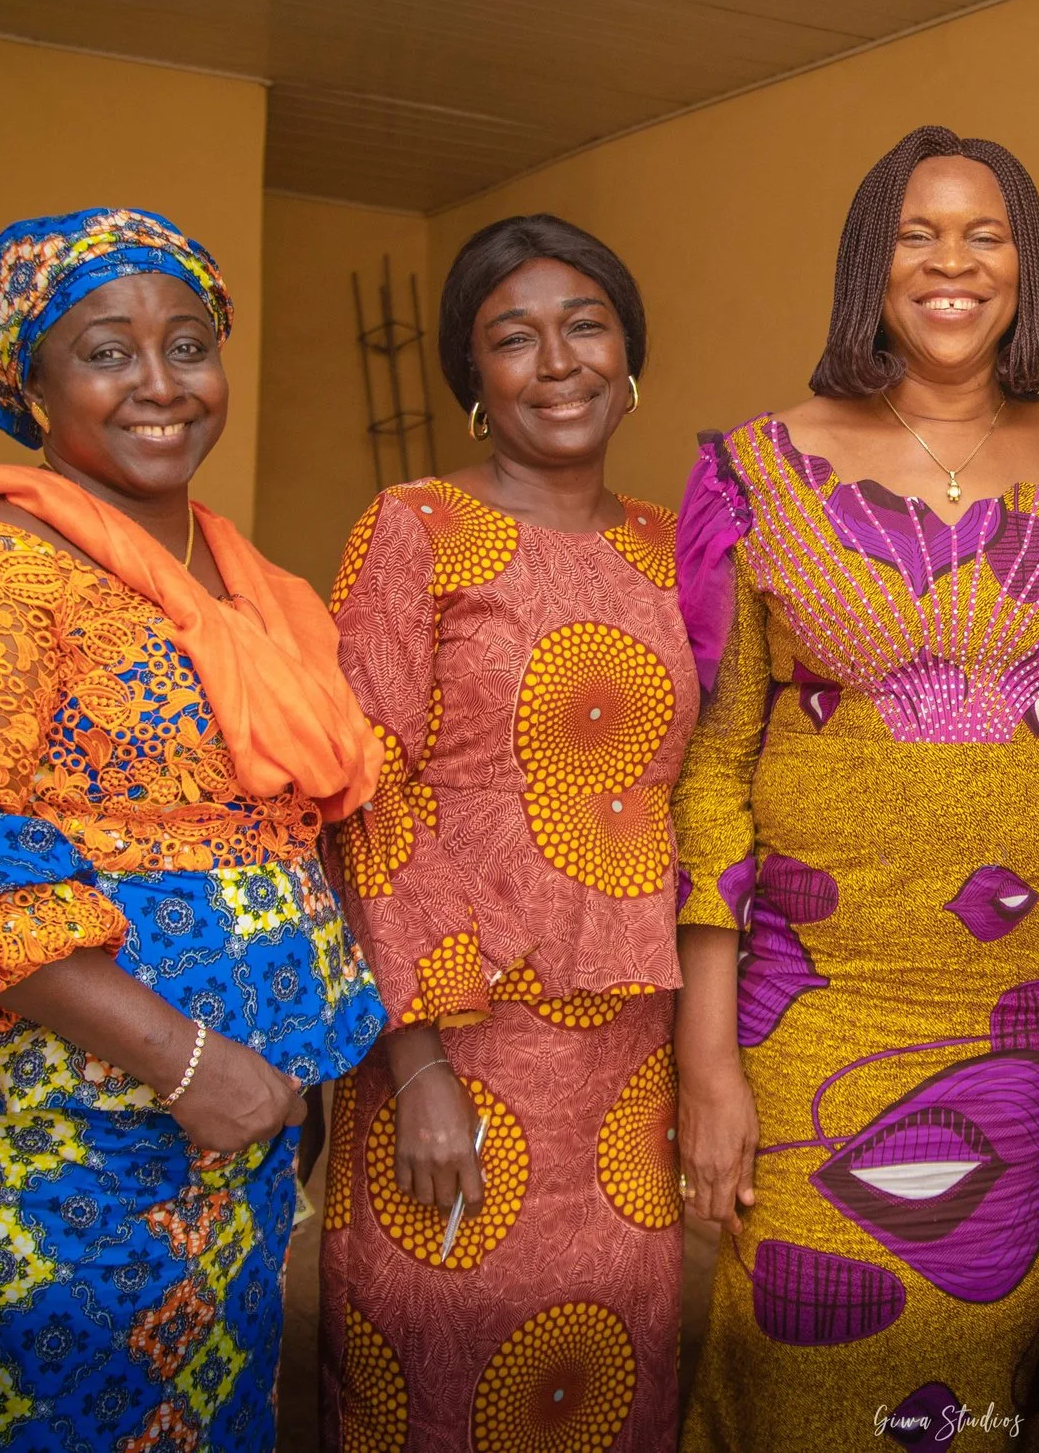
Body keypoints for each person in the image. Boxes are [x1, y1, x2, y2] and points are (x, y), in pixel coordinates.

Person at [0, 208, 385, 1452]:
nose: (158, 384)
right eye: (106, 351)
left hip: (233, 1143)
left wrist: (286, 1064)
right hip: (45, 1149)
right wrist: (193, 1064)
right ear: (27, 378)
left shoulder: (241, 579)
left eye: (187, 343)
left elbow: (285, 827)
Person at [671, 125, 1039, 1450]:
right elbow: (715, 773)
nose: (952, 262)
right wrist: (709, 1060)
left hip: (1020, 1020)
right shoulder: (756, 469)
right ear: (869, 265)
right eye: (918, 233)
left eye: (986, 233)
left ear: (1029, 267)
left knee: (969, 1373)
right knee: (793, 1346)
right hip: (807, 1016)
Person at [318, 215, 691, 1449]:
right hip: (458, 1038)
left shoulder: (666, 545)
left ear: (628, 352)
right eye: (512, 339)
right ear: (472, 380)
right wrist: (414, 1063)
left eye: (585, 325)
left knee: (612, 1370)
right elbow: (360, 799)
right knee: (443, 1368)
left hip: (628, 1052)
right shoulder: (412, 526)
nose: (558, 361)